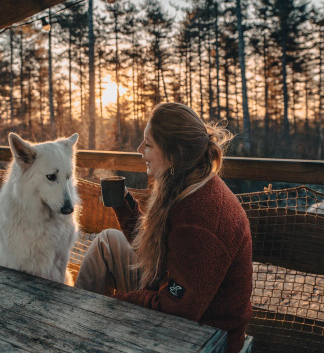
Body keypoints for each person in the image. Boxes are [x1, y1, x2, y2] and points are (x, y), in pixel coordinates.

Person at [75, 102, 252, 353]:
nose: (139, 150)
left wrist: (113, 304)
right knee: (108, 242)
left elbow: (174, 309)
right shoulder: (185, 182)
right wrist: (124, 203)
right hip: (173, 294)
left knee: (105, 300)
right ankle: (74, 319)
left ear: (174, 153)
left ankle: (78, 325)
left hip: (206, 336)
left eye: (148, 144)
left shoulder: (201, 219)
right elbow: (153, 246)